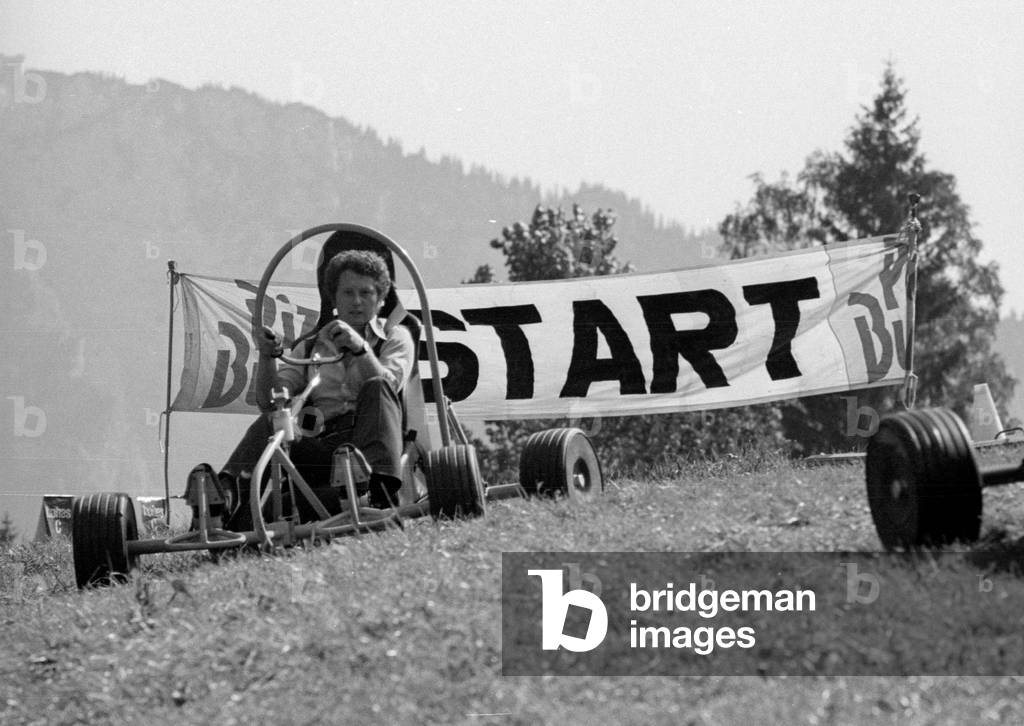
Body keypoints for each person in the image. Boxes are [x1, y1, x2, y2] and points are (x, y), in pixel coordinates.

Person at [216, 248, 415, 528]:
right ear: (334, 298)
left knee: (378, 385)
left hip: (371, 446)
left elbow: (389, 386)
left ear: (381, 299)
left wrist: (360, 348)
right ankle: (225, 500)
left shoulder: (395, 337)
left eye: (366, 293)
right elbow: (271, 400)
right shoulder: (311, 346)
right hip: (323, 452)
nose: (357, 301)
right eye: (348, 293)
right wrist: (267, 357)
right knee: (272, 420)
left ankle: (374, 493)